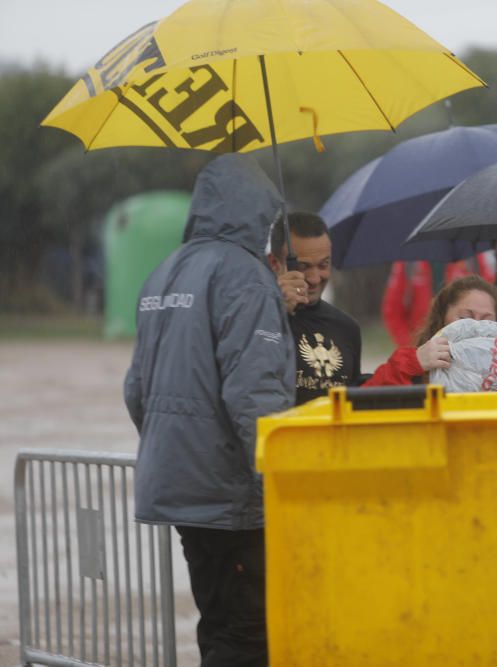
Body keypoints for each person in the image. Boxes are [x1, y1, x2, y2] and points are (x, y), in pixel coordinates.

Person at [124, 154, 294, 666]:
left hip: (179, 485)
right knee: (249, 634)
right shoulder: (244, 275)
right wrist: (281, 482)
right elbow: (256, 395)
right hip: (232, 497)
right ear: (260, 213)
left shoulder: (164, 273)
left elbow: (136, 389)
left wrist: (176, 447)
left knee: (218, 623)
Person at [366, 274, 497, 389]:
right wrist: (413, 362)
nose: (476, 329)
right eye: (465, 319)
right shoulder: (415, 368)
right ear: (441, 321)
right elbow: (365, 401)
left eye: (487, 321)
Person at [268, 212, 362, 404]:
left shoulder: (347, 328)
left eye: (323, 264)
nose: (314, 278)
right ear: (275, 264)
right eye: (302, 266)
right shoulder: (254, 320)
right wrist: (276, 313)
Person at [381, 256, 494, 346]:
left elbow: (491, 301)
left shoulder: (471, 257)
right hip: (420, 349)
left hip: (463, 349)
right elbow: (392, 310)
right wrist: (412, 348)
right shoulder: (408, 261)